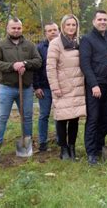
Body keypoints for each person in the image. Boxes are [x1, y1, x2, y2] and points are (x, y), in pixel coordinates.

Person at [0, 17, 42, 147]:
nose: (16, 30)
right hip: (6, 87)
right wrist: (12, 66)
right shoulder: (0, 45)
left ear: (22, 29)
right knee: (2, 117)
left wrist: (25, 63)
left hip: (25, 88)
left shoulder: (29, 45)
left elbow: (38, 61)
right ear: (8, 29)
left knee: (27, 117)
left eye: (18, 28)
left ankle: (27, 142)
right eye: (13, 28)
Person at [80, 10, 107, 165]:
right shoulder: (87, 39)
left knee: (106, 118)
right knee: (93, 118)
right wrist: (93, 85)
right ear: (94, 21)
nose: (102, 22)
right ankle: (91, 152)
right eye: (100, 19)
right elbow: (85, 64)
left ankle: (99, 146)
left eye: (105, 19)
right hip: (95, 86)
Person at [46, 14, 86, 160]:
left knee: (74, 118)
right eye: (68, 24)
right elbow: (50, 67)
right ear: (63, 26)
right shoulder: (56, 43)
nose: (71, 27)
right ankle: (63, 148)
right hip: (62, 87)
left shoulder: (79, 42)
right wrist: (55, 87)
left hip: (77, 86)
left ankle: (72, 147)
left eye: (73, 25)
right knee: (62, 118)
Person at [33, 22, 60, 152]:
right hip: (45, 87)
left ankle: (60, 139)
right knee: (44, 115)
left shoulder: (63, 45)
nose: (53, 32)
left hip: (60, 87)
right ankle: (43, 142)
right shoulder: (39, 48)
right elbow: (36, 69)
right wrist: (36, 87)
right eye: (50, 31)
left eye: (55, 30)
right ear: (45, 33)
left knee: (60, 114)